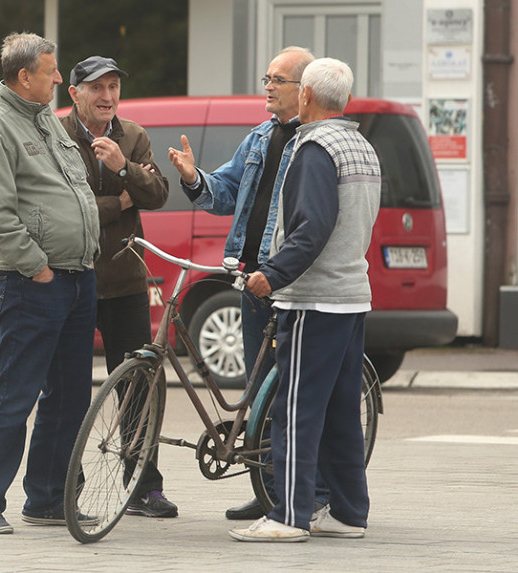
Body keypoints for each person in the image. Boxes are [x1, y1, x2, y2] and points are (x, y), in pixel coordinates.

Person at [167, 46, 325, 521]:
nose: (269, 87)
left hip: (291, 284)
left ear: (306, 91)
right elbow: (226, 193)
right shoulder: (258, 138)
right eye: (266, 77)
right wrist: (195, 178)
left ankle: (308, 493)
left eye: (279, 79)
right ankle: (268, 487)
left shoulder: (316, 144)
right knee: (259, 392)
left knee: (293, 393)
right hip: (249, 280)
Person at [228, 57, 381, 542]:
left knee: (294, 409)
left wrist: (270, 275)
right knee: (340, 411)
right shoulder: (360, 144)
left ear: (308, 96)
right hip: (351, 296)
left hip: (314, 299)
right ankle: (349, 513)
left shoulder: (314, 147)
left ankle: (288, 515)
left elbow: (311, 228)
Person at [0, 32, 101, 534]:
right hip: (33, 282)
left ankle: (46, 498)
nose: (60, 79)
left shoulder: (44, 116)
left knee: (69, 396)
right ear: (25, 77)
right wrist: (37, 267)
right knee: (16, 394)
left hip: (77, 277)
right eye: (51, 71)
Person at [60, 56, 177, 518]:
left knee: (139, 384)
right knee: (68, 386)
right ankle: (67, 481)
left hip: (126, 278)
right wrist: (119, 201)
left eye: (113, 87)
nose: (107, 96)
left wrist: (125, 166)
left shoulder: (133, 136)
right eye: (97, 88)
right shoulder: (58, 137)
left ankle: (144, 486)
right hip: (74, 276)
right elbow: (71, 206)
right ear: (74, 94)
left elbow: (159, 193)